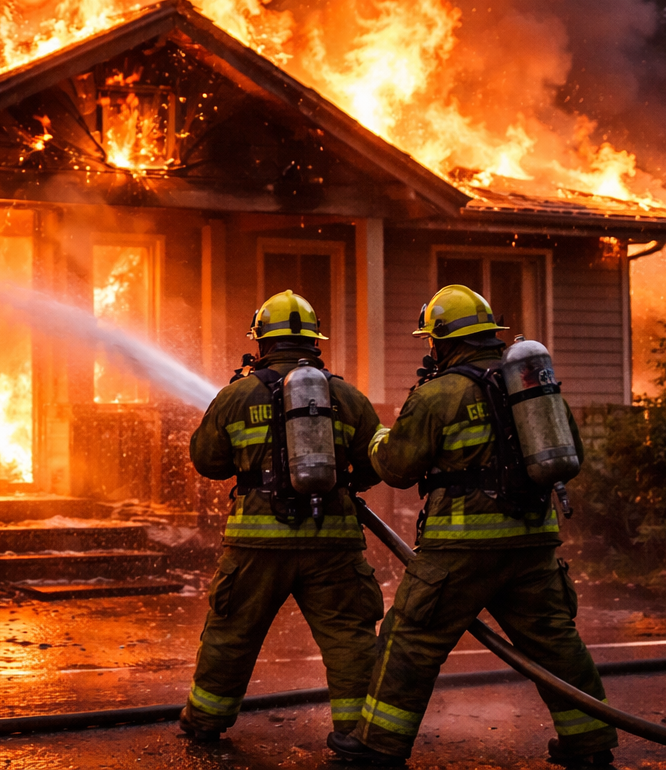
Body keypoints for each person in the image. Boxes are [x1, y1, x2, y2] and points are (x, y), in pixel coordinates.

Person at [328, 284, 618, 767]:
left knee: (411, 639)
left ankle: (378, 745)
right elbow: (573, 454)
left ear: (442, 341)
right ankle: (589, 743)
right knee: (555, 641)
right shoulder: (532, 385)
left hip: (459, 550)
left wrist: (379, 438)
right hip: (532, 542)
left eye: (431, 342)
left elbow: (397, 469)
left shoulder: (438, 394)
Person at [180, 290, 387, 743]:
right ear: (316, 343)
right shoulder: (347, 397)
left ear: (262, 345)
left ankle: (205, 721)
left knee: (231, 633)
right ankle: (356, 731)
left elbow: (209, 462)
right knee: (349, 637)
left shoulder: (236, 397)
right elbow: (378, 461)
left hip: (256, 544)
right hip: (333, 542)